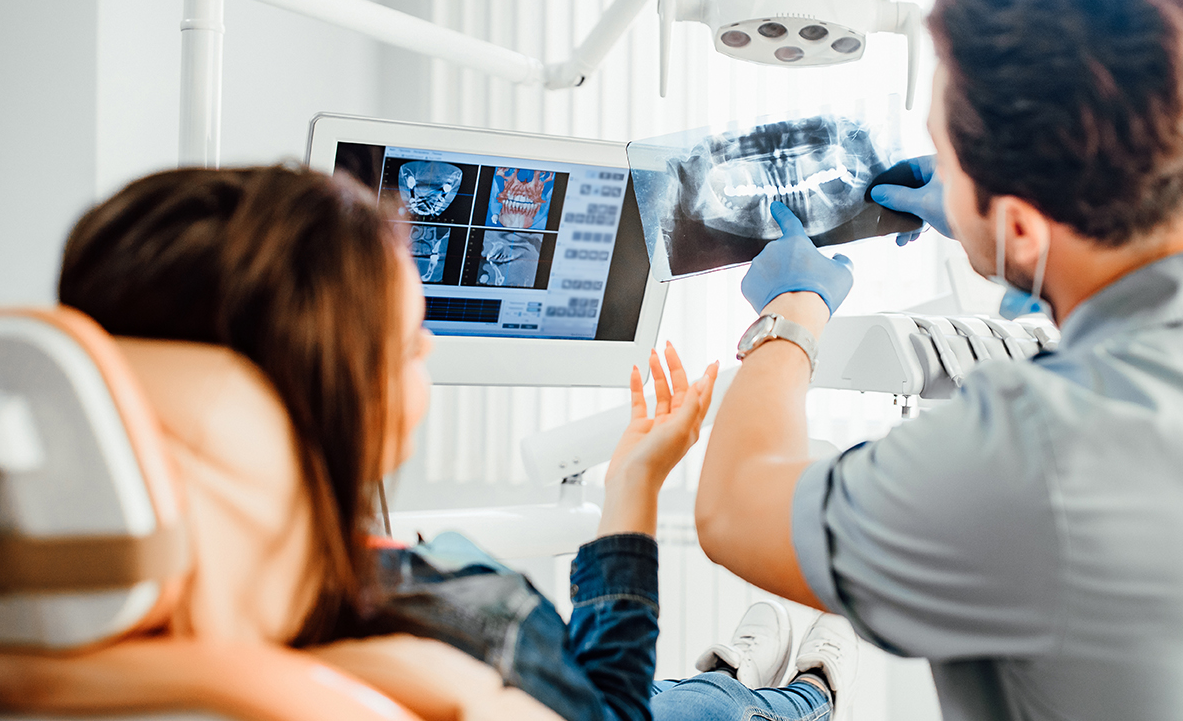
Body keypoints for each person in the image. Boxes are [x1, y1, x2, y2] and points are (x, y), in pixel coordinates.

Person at [694, 0, 1183, 720]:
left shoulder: (1031, 452)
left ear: (1024, 226)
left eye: (943, 152)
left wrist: (791, 317)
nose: (937, 169)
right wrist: (1017, 259)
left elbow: (733, 509)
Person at [55, 165, 858, 721]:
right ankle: (804, 693)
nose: (430, 349)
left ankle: (734, 673)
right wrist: (637, 485)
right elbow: (608, 705)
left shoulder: (70, 625)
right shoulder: (447, 634)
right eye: (409, 342)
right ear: (328, 397)